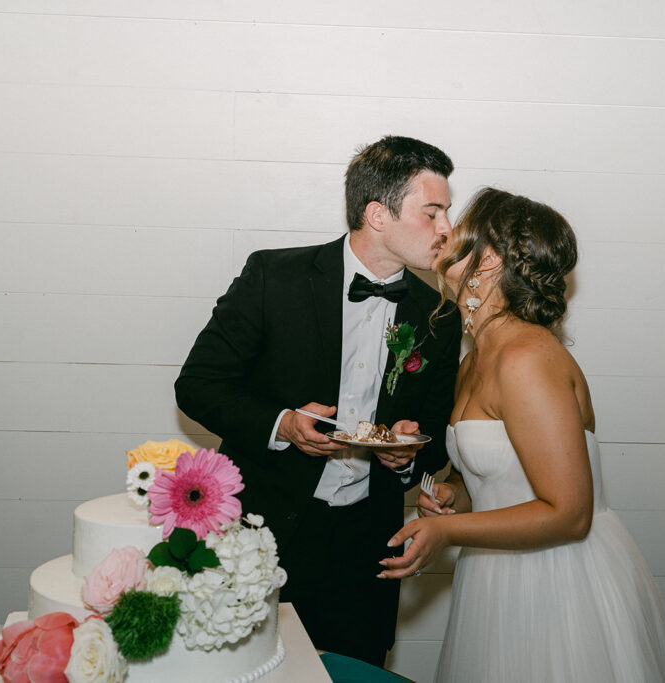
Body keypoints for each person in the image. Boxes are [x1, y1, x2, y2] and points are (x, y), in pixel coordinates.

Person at [174, 135, 463, 667]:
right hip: (259, 535)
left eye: (446, 211)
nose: (448, 228)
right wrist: (282, 424)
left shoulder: (438, 316)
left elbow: (438, 439)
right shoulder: (274, 277)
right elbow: (197, 384)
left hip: (367, 550)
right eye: (433, 212)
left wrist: (407, 458)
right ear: (378, 214)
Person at [379, 187, 665, 681]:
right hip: (497, 573)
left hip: (558, 582)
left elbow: (569, 513)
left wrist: (447, 530)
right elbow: (503, 481)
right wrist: (455, 497)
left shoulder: (526, 359)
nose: (444, 233)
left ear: (491, 258)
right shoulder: (476, 357)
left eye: (459, 227)